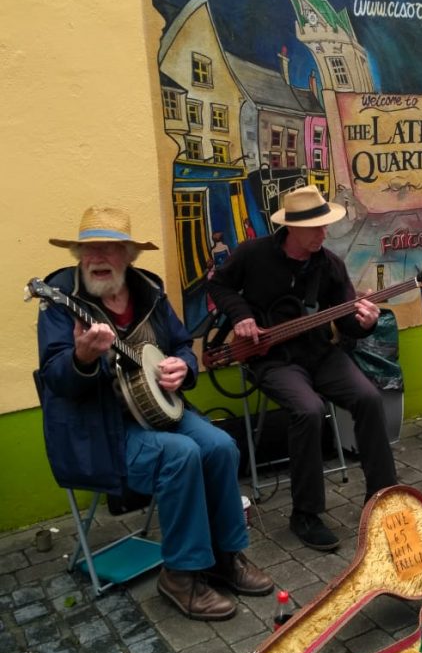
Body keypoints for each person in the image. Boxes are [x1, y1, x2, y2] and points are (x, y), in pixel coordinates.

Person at [37, 206, 273, 620]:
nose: (97, 257)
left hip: (159, 411)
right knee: (180, 454)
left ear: (129, 254)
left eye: (109, 248)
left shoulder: (149, 289)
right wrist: (82, 356)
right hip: (98, 429)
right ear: (77, 253)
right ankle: (181, 576)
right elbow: (56, 379)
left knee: (219, 445)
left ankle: (224, 557)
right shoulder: (63, 302)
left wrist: (184, 366)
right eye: (88, 249)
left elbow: (182, 345)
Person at [208, 185, 398, 551]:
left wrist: (367, 321)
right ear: (291, 227)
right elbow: (219, 286)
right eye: (315, 228)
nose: (323, 234)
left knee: (369, 398)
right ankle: (305, 514)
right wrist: (242, 316)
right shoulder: (254, 255)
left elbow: (347, 327)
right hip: (273, 359)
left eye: (324, 227)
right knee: (308, 410)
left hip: (321, 355)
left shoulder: (330, 266)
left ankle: (382, 499)